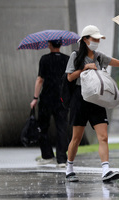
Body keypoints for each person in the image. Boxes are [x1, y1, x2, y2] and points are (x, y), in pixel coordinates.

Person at [65, 25, 119, 182]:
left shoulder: (99, 56)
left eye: (98, 39)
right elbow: (69, 78)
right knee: (76, 138)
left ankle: (105, 170)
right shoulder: (75, 56)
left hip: (97, 99)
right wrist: (85, 68)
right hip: (80, 99)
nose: (96, 41)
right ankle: (69, 168)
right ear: (85, 39)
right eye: (94, 39)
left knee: (103, 136)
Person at [30, 40, 70, 168]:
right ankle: (62, 159)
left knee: (43, 127)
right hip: (62, 99)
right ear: (61, 45)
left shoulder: (44, 59)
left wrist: (35, 97)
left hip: (47, 98)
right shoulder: (67, 59)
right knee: (62, 128)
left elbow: (40, 79)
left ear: (49, 45)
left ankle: (47, 156)